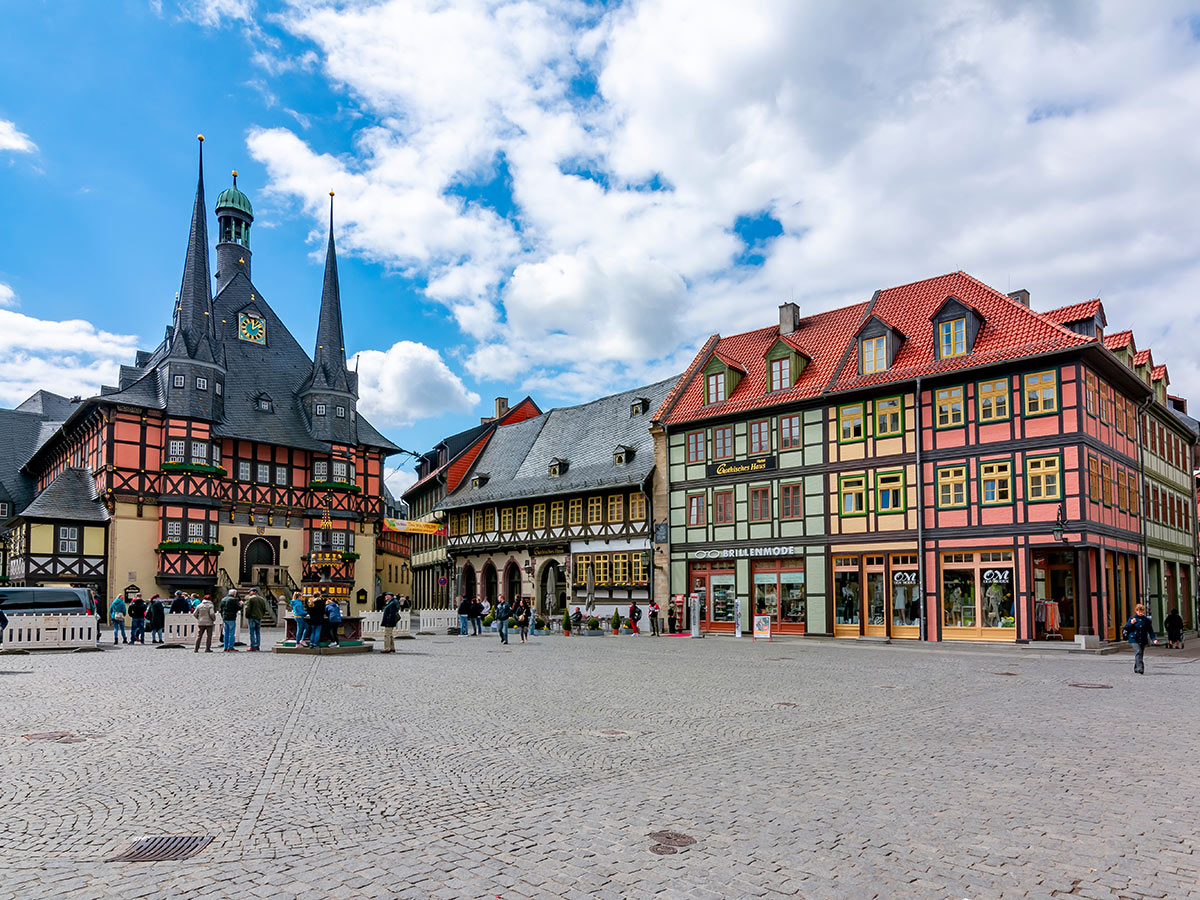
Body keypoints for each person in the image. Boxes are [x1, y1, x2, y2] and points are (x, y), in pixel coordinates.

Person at [1122, 603, 1158, 674]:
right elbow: (1126, 628)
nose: (1140, 612)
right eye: (1139, 611)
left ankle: (1136, 667)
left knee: (1140, 653)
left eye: (1142, 611)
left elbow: (1150, 630)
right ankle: (1140, 668)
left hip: (1142, 638)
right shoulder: (1132, 619)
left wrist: (1153, 639)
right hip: (1134, 639)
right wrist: (1131, 623)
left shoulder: (1146, 620)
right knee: (1138, 651)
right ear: (1136, 611)